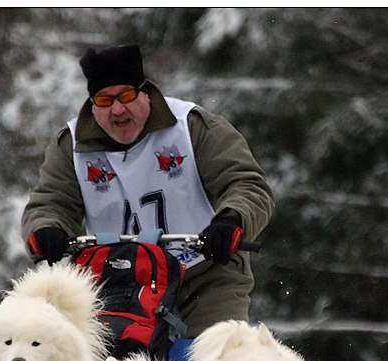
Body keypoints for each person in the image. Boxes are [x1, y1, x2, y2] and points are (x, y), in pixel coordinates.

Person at [21, 44, 273, 339]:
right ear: (92, 106)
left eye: (126, 96)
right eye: (104, 100)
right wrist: (46, 229)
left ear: (146, 93)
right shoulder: (71, 147)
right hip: (117, 282)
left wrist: (233, 219)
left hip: (204, 276)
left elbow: (245, 183)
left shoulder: (192, 128)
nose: (117, 109)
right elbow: (51, 202)